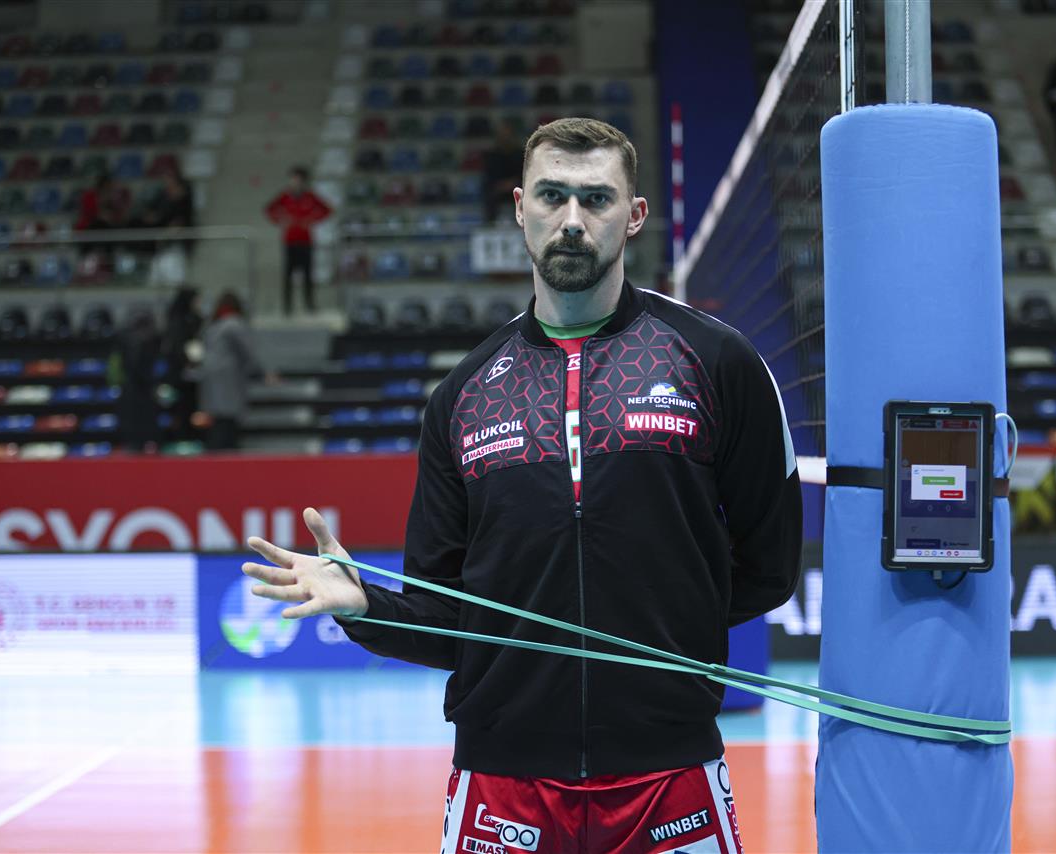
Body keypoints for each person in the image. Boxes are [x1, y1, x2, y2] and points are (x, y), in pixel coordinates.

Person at [242, 118, 802, 851]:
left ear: (634, 215)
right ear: (519, 207)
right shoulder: (464, 393)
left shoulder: (717, 362)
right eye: (552, 196)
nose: (572, 220)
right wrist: (366, 606)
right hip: (503, 784)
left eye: (596, 199)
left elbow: (769, 566)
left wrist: (663, 629)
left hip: (670, 774)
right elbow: (447, 615)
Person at [198, 291, 268, 451]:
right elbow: (248, 352)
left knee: (217, 421)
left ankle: (217, 451)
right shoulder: (235, 324)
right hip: (228, 379)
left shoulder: (212, 326)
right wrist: (262, 373)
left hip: (210, 379)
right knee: (228, 421)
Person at [264, 166, 331, 315]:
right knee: (288, 274)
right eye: (293, 179)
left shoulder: (310, 196)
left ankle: (310, 304)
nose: (295, 182)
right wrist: (280, 220)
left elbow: (327, 209)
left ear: (303, 181)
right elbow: (269, 209)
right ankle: (287, 306)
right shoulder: (285, 196)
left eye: (298, 179)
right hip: (290, 241)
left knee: (308, 274)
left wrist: (313, 219)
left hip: (306, 241)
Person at [113, 308, 161, 453]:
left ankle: (137, 446)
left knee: (136, 427)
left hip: (134, 388)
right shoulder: (140, 341)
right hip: (138, 388)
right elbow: (134, 366)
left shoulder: (126, 337)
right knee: (137, 424)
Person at [161, 286, 203, 441]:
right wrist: (187, 360)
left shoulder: (195, 319)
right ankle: (180, 437)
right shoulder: (177, 320)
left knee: (191, 408)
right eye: (196, 300)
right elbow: (177, 347)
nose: (198, 303)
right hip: (178, 374)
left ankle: (191, 436)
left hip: (192, 374)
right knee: (180, 409)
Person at [483, 119, 525, 223]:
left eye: (507, 134)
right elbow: (490, 175)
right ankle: (490, 223)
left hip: (516, 185)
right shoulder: (492, 155)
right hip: (498, 188)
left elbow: (524, 174)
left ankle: (523, 223)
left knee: (525, 192)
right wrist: (501, 185)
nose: (505, 137)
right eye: (502, 135)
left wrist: (512, 183)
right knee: (488, 193)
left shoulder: (520, 154)